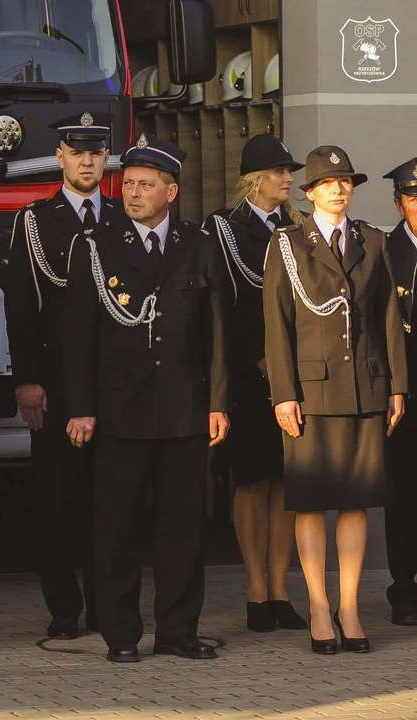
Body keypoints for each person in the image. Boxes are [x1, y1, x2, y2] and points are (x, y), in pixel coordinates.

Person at [65, 134, 230, 663]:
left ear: (171, 191)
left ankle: (178, 631)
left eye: (145, 185)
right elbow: (79, 337)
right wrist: (81, 405)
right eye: (129, 184)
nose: (133, 194)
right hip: (120, 411)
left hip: (184, 410)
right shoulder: (97, 245)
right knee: (118, 528)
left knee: (182, 529)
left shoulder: (197, 245)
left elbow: (218, 335)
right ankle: (120, 635)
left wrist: (218, 402)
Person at [263, 145, 407, 655]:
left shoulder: (372, 240)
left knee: (355, 501)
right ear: (310, 192)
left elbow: (389, 318)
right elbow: (276, 328)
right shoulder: (287, 244)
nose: (339, 189)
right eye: (328, 182)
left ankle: (349, 606)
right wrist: (283, 394)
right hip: (311, 389)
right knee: (310, 503)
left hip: (365, 385)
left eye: (345, 181)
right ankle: (319, 607)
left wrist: (396, 386)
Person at [6, 111, 122, 640]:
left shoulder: (122, 215)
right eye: (78, 152)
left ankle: (106, 607)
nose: (88, 161)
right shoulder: (35, 220)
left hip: (113, 383)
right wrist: (26, 379)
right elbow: (21, 308)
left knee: (109, 503)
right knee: (56, 503)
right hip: (52, 382)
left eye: (96, 152)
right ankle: (64, 610)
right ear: (60, 157)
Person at [203, 134, 307, 633]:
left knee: (286, 483)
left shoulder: (299, 228)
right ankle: (255, 589)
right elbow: (221, 305)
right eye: (279, 171)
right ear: (254, 178)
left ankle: (282, 589)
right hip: (247, 377)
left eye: (289, 171)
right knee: (251, 480)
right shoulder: (224, 228)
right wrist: (256, 359)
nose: (289, 179)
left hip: (293, 377)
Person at [380, 157, 417, 627]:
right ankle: (403, 591)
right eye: (413, 197)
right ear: (398, 203)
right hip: (405, 396)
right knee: (405, 494)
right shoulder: (385, 252)